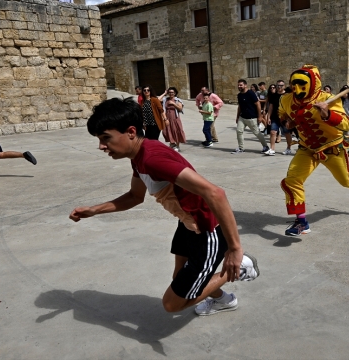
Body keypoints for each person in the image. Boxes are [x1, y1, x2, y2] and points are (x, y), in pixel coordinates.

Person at [69, 98, 260, 316]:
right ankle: (224, 300)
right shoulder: (138, 156)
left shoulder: (152, 158)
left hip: (206, 228)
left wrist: (235, 249)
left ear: (131, 132)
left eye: (106, 138)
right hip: (187, 223)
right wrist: (94, 210)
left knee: (172, 303)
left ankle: (241, 266)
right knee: (180, 280)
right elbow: (134, 196)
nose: (101, 146)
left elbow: (215, 193)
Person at [279, 65, 349, 236]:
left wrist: (327, 114)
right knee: (291, 180)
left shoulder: (329, 99)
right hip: (306, 149)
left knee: (345, 180)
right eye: (293, 84)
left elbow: (347, 124)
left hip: (332, 148)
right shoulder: (286, 100)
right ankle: (301, 222)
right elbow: (283, 116)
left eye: (301, 84)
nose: (296, 89)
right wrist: (289, 123)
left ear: (313, 83)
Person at [232, 79, 269, 154]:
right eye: (238, 85)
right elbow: (240, 106)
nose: (239, 86)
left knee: (257, 133)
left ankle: (265, 146)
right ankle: (241, 148)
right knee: (239, 131)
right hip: (242, 117)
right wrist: (237, 116)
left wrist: (259, 116)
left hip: (251, 117)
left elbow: (258, 104)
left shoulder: (250, 93)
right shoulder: (239, 95)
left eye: (241, 85)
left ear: (245, 85)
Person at [265, 80, 293, 155]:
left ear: (284, 86)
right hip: (275, 117)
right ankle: (272, 149)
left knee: (287, 133)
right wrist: (268, 117)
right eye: (278, 85)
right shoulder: (273, 96)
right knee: (273, 132)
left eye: (281, 85)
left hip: (285, 118)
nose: (279, 87)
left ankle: (288, 148)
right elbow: (271, 107)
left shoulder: (287, 95)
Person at [159, 87, 186, 152]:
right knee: (167, 131)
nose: (171, 94)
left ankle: (177, 146)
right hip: (167, 117)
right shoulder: (166, 99)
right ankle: (172, 144)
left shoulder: (178, 100)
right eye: (170, 92)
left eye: (172, 92)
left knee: (176, 130)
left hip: (175, 117)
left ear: (175, 93)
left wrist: (174, 104)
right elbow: (158, 99)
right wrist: (164, 93)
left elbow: (180, 109)